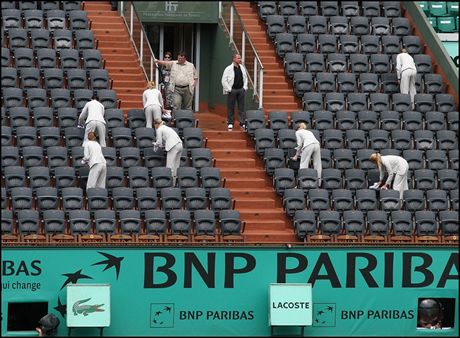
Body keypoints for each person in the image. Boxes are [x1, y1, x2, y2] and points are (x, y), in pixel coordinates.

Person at [221, 53, 248, 131]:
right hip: (232, 90)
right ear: (234, 59)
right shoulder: (228, 68)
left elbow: (245, 78)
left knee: (241, 108)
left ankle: (242, 123)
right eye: (238, 58)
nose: (240, 60)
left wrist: (244, 88)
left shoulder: (242, 68)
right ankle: (230, 123)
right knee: (230, 107)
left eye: (240, 58)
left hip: (241, 90)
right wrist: (229, 89)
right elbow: (224, 80)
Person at [153, 119, 183, 186]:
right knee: (176, 166)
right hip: (180, 144)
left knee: (169, 167)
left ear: (156, 124)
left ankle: (170, 185)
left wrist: (155, 144)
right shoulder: (167, 128)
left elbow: (159, 142)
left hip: (173, 146)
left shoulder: (159, 129)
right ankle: (174, 184)